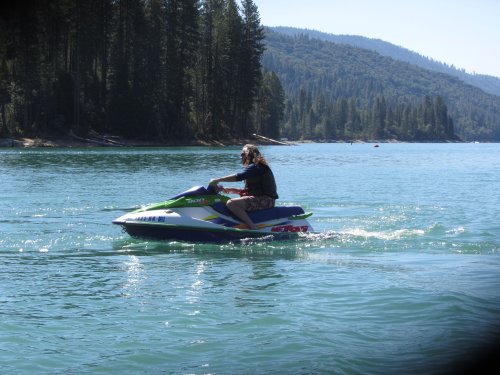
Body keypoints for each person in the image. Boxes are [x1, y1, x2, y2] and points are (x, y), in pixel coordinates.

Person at [209, 144, 278, 230]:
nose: (240, 156)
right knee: (226, 201)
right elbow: (254, 189)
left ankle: (252, 227)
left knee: (231, 203)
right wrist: (233, 190)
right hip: (264, 199)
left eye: (242, 154)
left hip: (266, 200)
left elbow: (240, 176)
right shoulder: (257, 166)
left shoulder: (256, 166)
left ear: (248, 154)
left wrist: (218, 179)